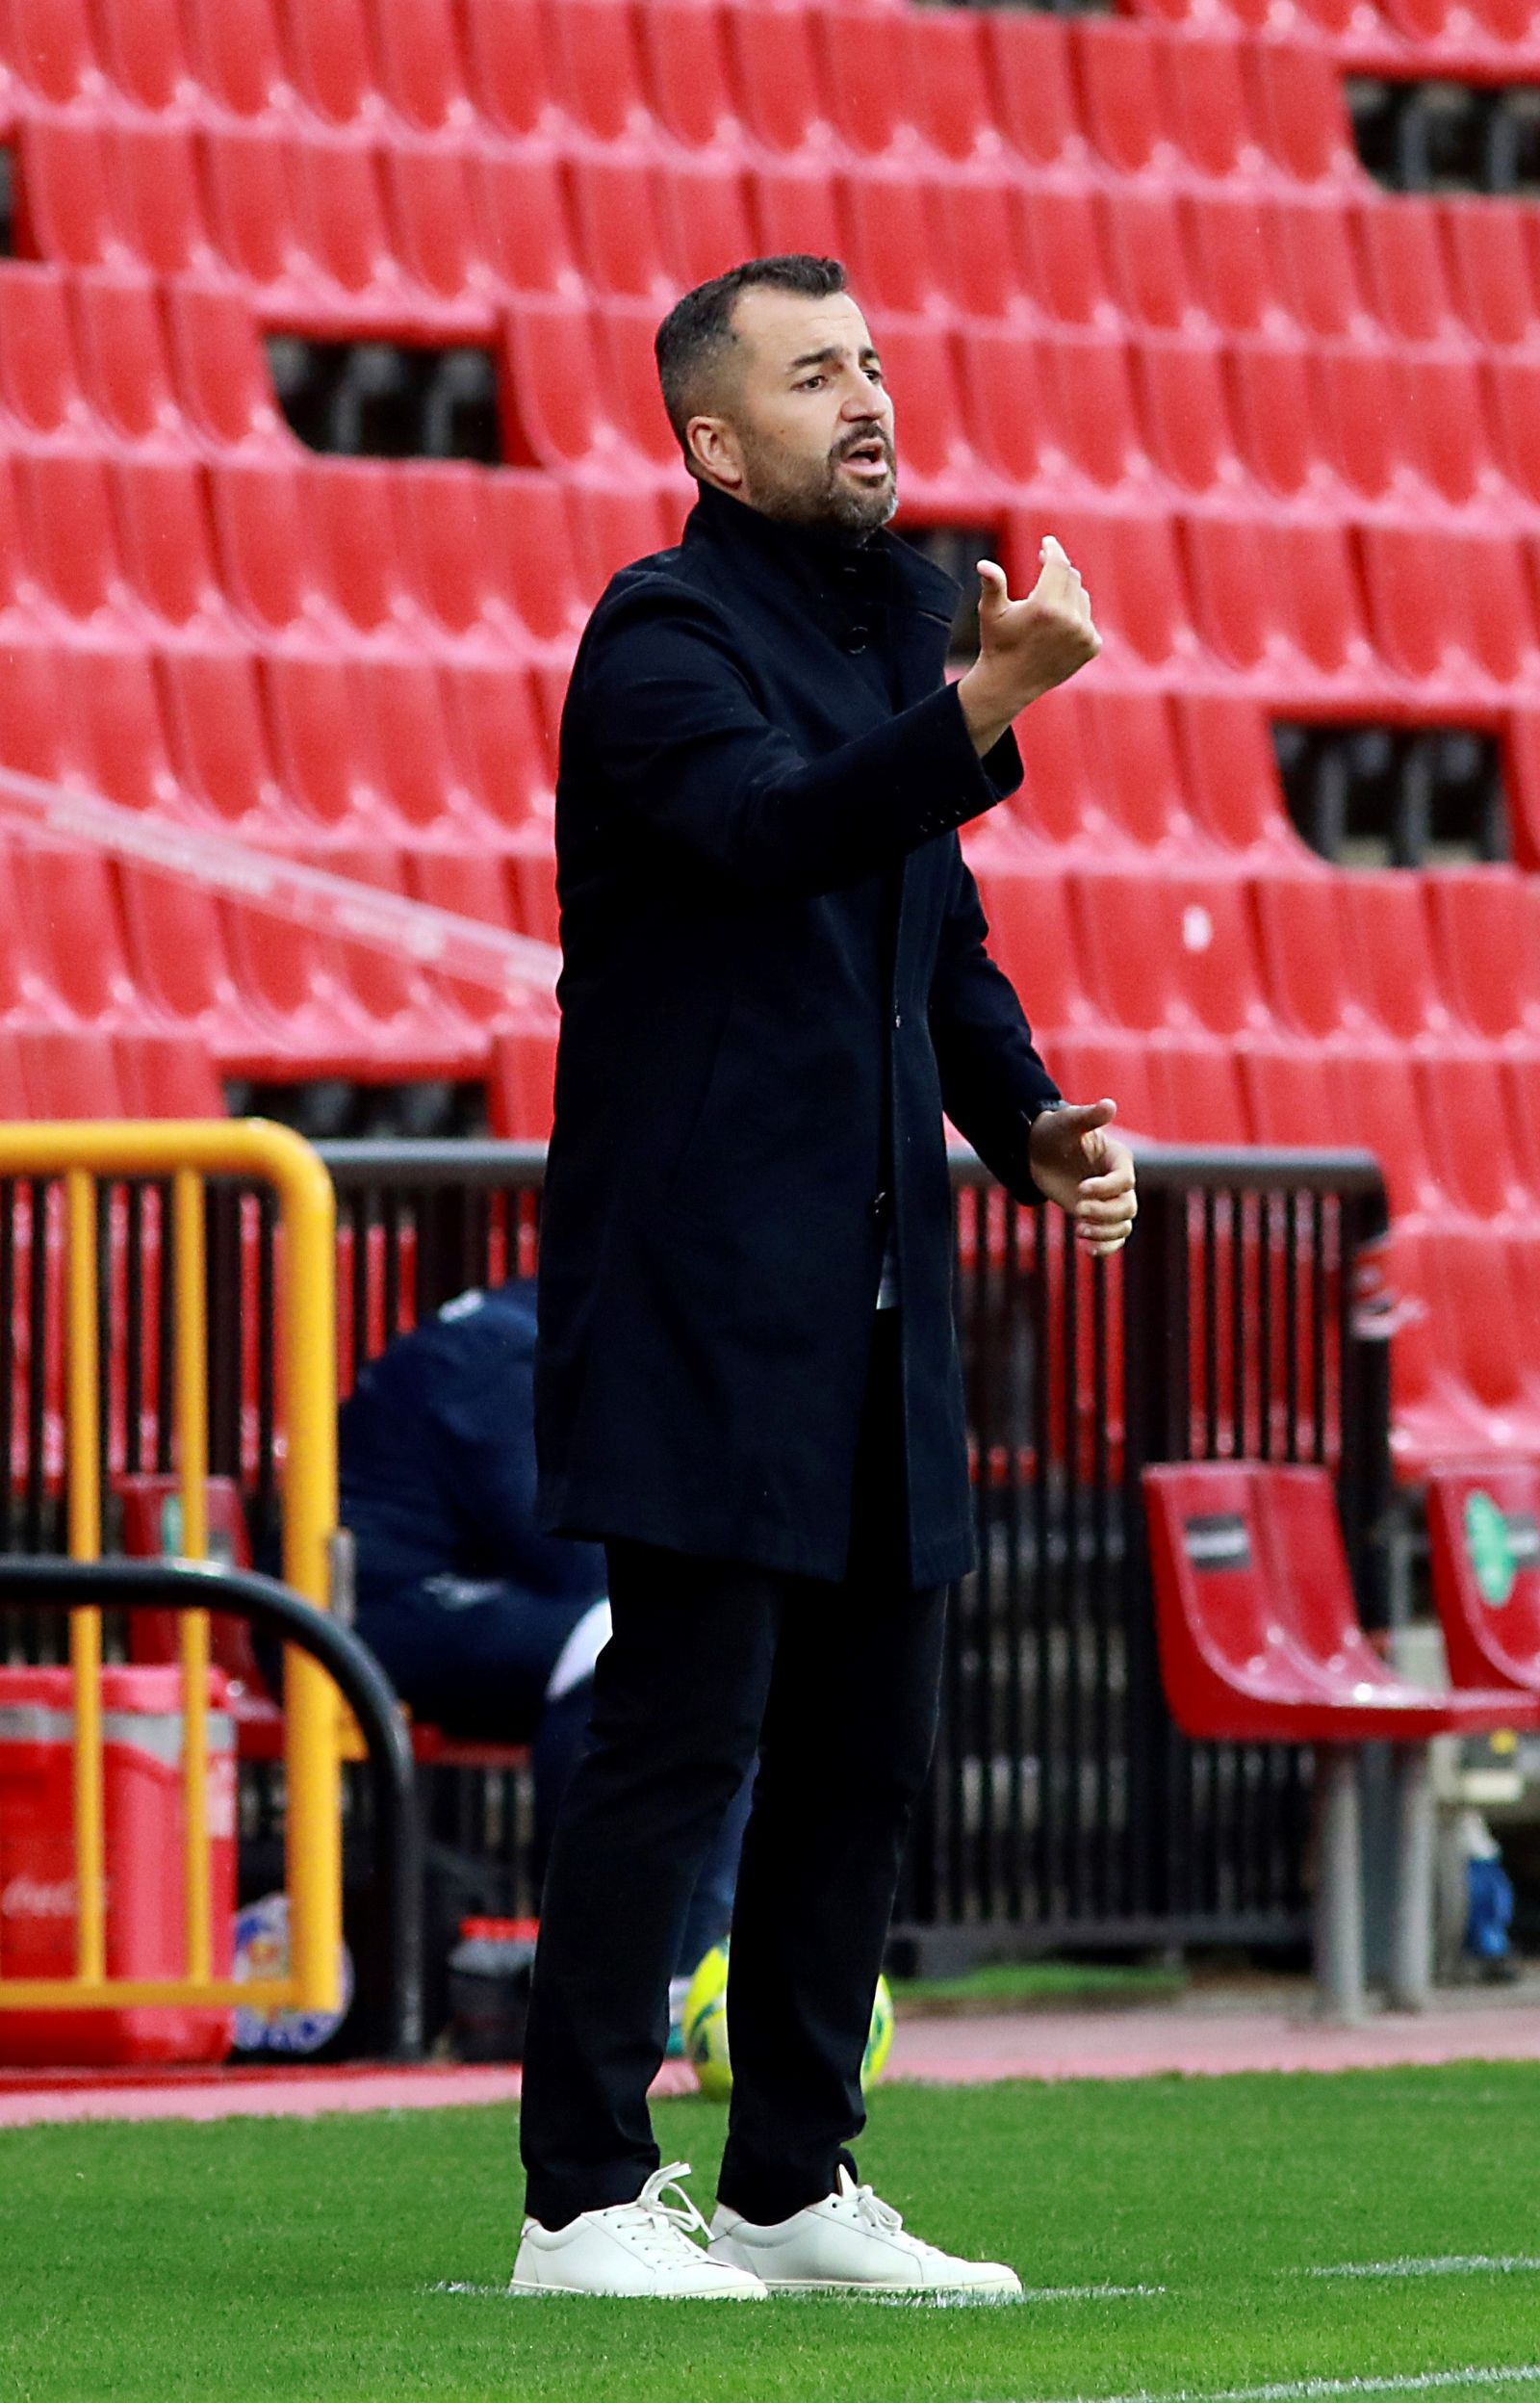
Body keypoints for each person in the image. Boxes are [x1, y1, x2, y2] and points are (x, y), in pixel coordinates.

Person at [513, 254, 1138, 2301]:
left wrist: (1026, 1124)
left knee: (864, 1753)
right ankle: (582, 2202)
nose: (865, 397)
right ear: (713, 438)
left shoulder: (896, 613)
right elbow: (774, 834)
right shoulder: (656, 634)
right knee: (679, 1739)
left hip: (879, 1299)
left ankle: (787, 2181)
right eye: (812, 375)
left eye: (871, 360)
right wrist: (976, 706)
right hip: (698, 1288)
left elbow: (924, 929)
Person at [338, 1279, 749, 1974]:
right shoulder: (503, 1358)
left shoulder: (550, 1337)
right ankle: (637, 1958)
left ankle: (674, 1949)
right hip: (369, 1618)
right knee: (633, 1639)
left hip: (444, 1599)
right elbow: (569, 1552)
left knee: (691, 1642)